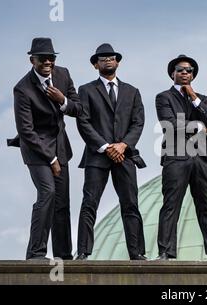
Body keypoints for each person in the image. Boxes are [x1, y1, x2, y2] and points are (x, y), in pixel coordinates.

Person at [7, 37, 82, 260]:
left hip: (60, 145)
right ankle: (36, 253)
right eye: (43, 59)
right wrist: (50, 159)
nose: (48, 62)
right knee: (47, 193)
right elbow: (26, 130)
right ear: (32, 60)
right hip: (36, 148)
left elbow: (78, 109)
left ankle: (63, 255)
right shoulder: (22, 89)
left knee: (62, 203)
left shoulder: (63, 74)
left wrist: (63, 101)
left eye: (51, 58)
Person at [76, 44, 147, 260]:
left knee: (130, 204)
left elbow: (138, 122)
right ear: (95, 64)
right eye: (102, 58)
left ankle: (137, 253)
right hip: (97, 156)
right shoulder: (86, 90)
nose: (108, 60)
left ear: (118, 62)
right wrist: (106, 147)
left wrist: (123, 145)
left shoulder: (132, 91)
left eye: (112, 57)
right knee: (89, 203)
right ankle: (83, 252)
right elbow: (84, 122)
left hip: (125, 155)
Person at [155, 55, 207, 261]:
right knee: (171, 205)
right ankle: (166, 252)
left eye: (189, 70)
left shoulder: (202, 99)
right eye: (180, 69)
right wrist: (197, 126)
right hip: (175, 156)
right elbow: (169, 124)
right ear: (172, 74)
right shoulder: (164, 97)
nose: (185, 72)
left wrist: (194, 98)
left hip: (201, 158)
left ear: (193, 75)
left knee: (206, 205)